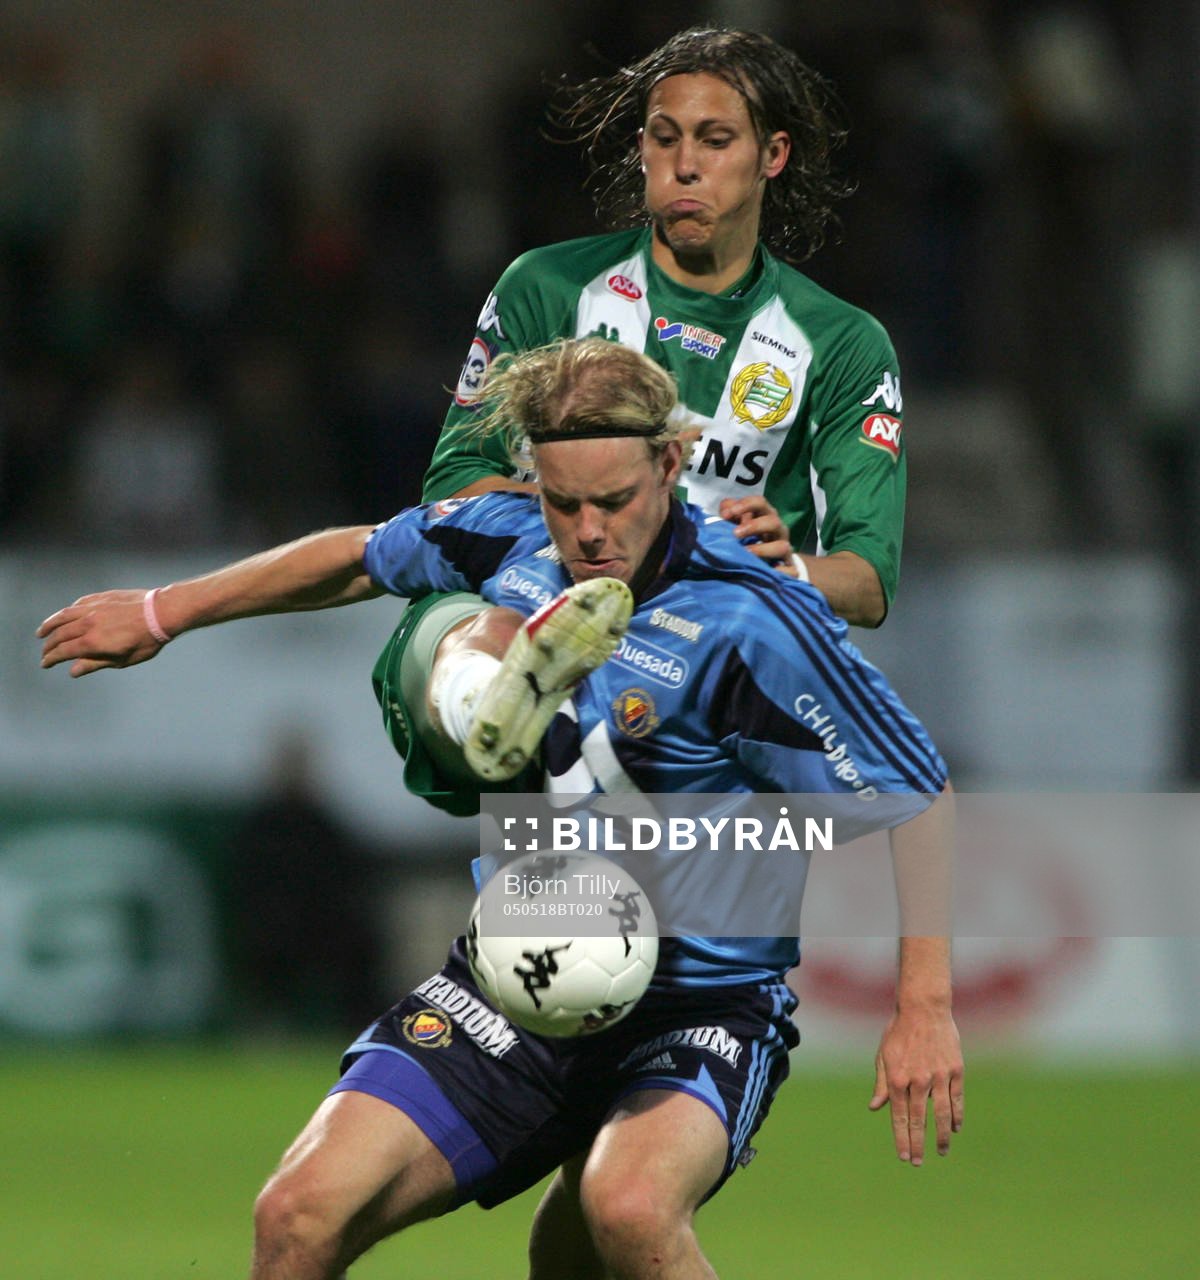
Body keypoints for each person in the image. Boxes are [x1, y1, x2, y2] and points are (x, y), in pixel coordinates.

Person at [39, 338, 962, 1280]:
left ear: (671, 463)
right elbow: (355, 557)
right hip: (518, 982)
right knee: (295, 1217)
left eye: (614, 501)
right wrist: (163, 612)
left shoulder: (751, 619)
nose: (589, 530)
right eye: (565, 503)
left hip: (697, 1007)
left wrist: (923, 1006)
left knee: (627, 1210)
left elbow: (918, 791)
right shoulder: (506, 535)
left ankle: (485, 691)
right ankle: (484, 691)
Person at [380, 26, 910, 816]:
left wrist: (776, 565)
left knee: (619, 928)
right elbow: (456, 487)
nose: (685, 164)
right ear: (642, 150)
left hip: (707, 672)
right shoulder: (550, 288)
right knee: (444, 616)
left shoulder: (839, 343)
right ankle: (483, 697)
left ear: (773, 156)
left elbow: (867, 583)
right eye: (664, 139)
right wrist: (588, 520)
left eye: (715, 139)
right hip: (545, 605)